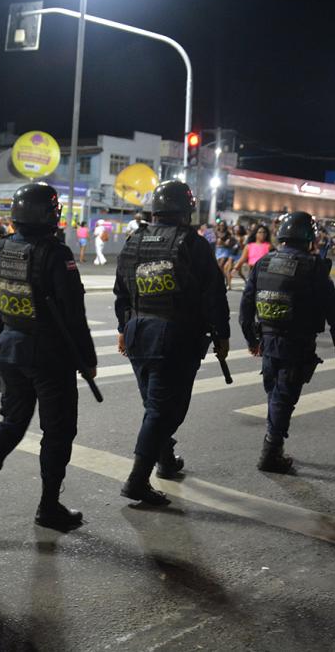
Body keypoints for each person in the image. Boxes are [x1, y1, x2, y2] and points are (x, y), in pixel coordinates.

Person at [0, 183, 96, 532]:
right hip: (49, 357)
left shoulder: (1, 250)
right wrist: (87, 358)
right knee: (58, 432)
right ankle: (49, 506)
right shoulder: (56, 254)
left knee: (11, 424)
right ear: (48, 215)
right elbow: (74, 314)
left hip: (10, 350)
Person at [113, 180, 229, 506]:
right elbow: (213, 294)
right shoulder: (193, 244)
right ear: (186, 210)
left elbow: (121, 291)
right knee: (166, 410)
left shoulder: (134, 241)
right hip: (175, 339)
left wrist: (124, 327)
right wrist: (222, 334)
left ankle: (164, 459)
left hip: (138, 334)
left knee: (154, 406)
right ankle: (137, 480)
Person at [239, 211, 335, 473]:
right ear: (308, 237)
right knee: (283, 397)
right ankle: (270, 452)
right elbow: (334, 310)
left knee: (274, 393)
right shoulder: (313, 267)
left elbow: (246, 306)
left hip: (267, 340)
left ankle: (273, 445)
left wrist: (251, 338)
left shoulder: (264, 262)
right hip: (296, 342)